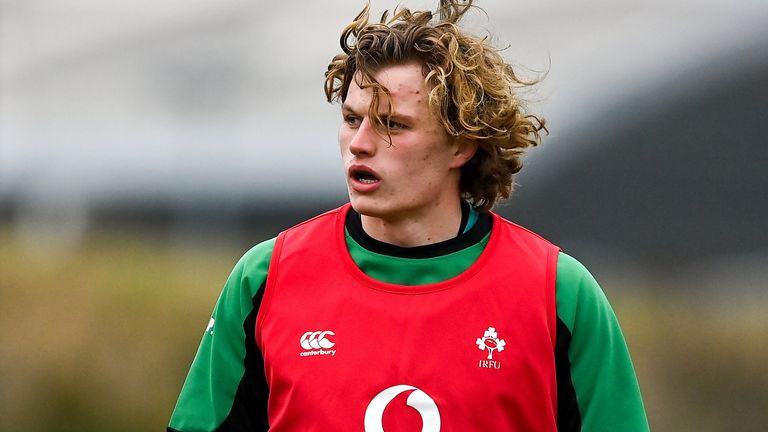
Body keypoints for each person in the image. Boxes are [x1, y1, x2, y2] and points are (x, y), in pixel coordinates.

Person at [168, 1, 649, 430]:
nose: (360, 143)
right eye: (353, 119)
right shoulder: (265, 277)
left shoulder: (558, 292)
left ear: (462, 144)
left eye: (393, 124)